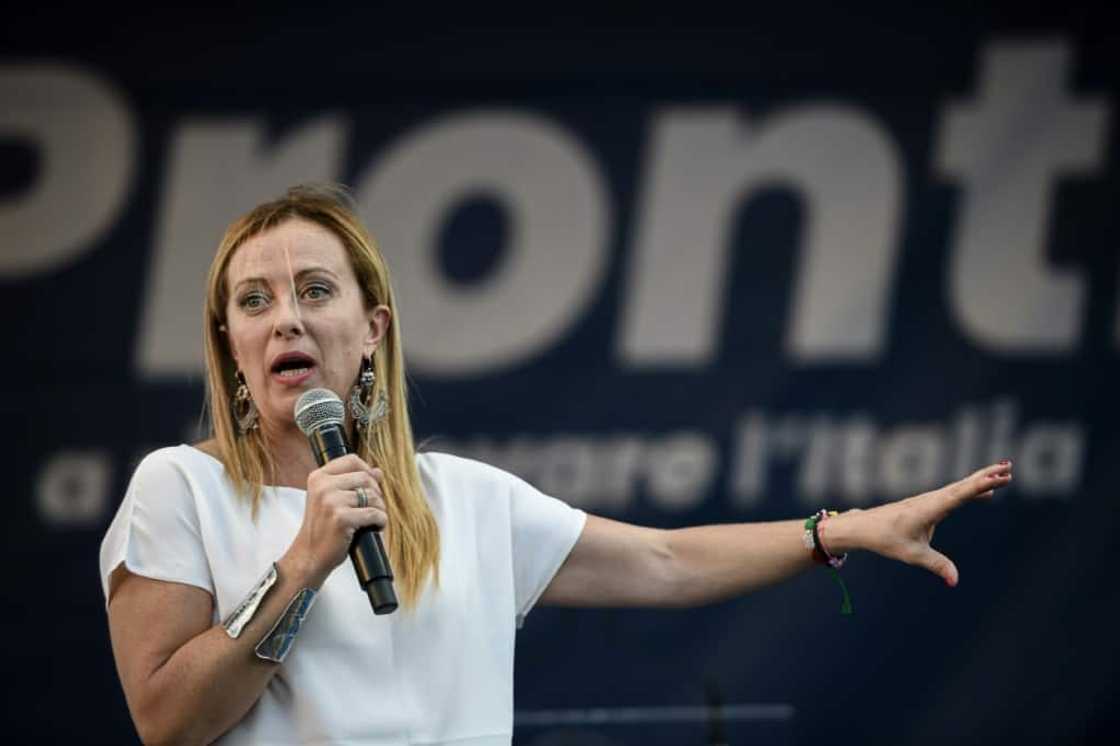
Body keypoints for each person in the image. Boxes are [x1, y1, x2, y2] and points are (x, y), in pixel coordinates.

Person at [100, 183, 1014, 745]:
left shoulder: (463, 499)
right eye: (253, 301)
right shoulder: (178, 488)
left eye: (315, 290)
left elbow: (663, 563)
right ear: (230, 345)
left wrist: (843, 530)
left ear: (373, 330)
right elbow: (166, 721)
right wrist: (301, 566)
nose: (285, 318)